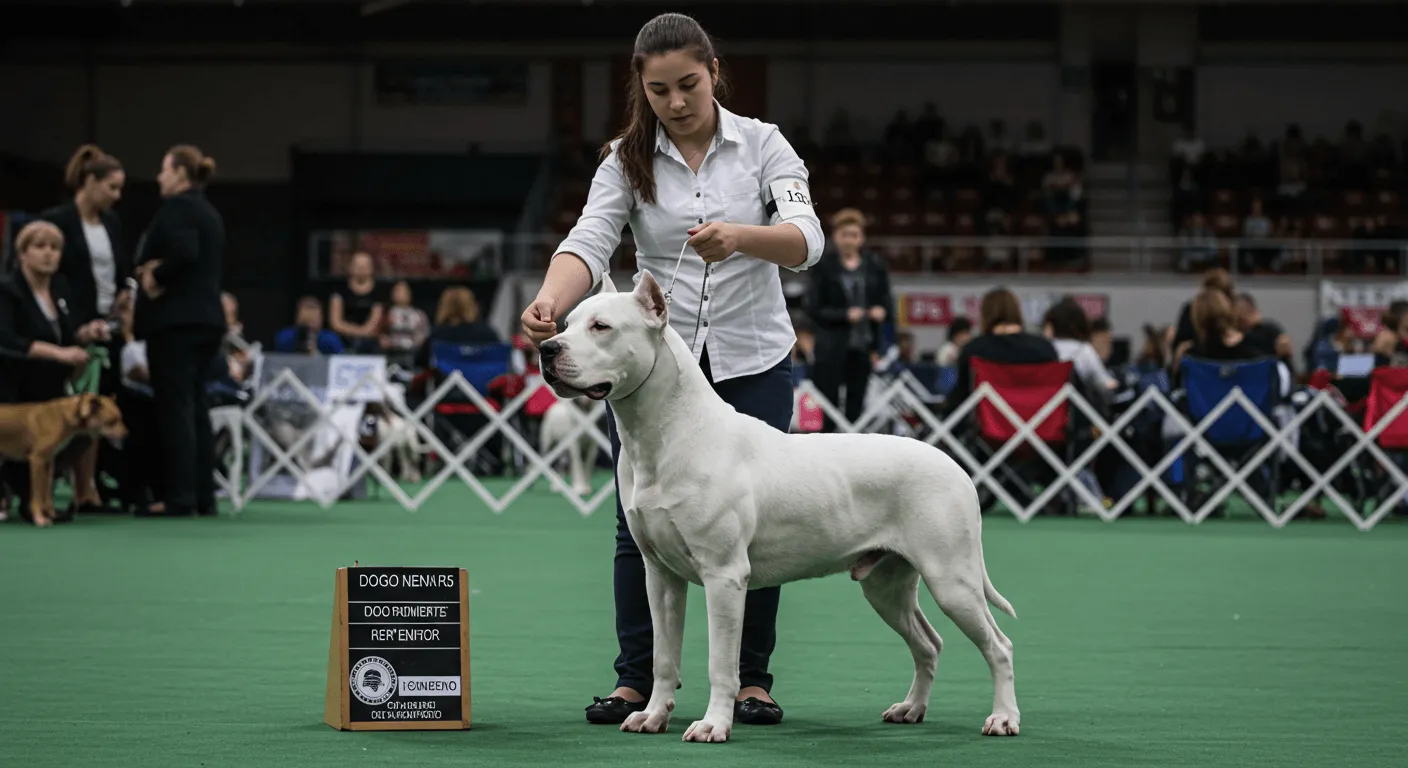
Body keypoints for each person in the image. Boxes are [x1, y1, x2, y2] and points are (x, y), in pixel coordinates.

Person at [519, 12, 823, 727]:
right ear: (642, 89)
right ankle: (637, 681)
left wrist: (741, 237)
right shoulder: (624, 158)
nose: (676, 102)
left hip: (752, 357)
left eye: (688, 84)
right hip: (653, 374)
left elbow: (807, 240)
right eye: (659, 91)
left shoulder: (764, 146)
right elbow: (589, 240)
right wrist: (550, 300)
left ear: (714, 70)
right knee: (639, 523)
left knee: (754, 520)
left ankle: (751, 682)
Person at [132, 144, 226, 518]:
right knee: (196, 408)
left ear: (180, 174)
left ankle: (180, 497)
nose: (159, 177)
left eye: (164, 169)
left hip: (177, 323)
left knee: (175, 410)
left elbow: (184, 253)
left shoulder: (178, 208)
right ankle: (204, 496)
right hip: (207, 321)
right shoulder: (209, 212)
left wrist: (155, 274)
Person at [0, 220, 113, 523]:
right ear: (22, 253)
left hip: (51, 393)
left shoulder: (61, 289)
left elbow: (68, 335)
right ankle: (22, 492)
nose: (49, 254)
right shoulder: (7, 291)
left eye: (54, 248)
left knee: (87, 430)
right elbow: (7, 342)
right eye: (40, 247)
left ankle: (40, 497)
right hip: (13, 390)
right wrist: (58, 353)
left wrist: (87, 333)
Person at [41, 144, 130, 511]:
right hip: (71, 328)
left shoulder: (112, 224)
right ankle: (45, 489)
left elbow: (121, 269)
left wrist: (124, 297)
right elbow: (55, 277)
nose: (116, 196)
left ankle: (86, 488)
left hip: (106, 329)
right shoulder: (57, 221)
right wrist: (77, 325)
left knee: (99, 410)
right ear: (90, 182)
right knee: (65, 410)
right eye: (111, 188)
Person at [804, 208, 894, 431]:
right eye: (845, 234)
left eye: (854, 235)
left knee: (856, 407)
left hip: (863, 345)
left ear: (861, 237)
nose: (850, 240)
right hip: (832, 346)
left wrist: (881, 313)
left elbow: (887, 301)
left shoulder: (874, 265)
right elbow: (813, 308)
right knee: (829, 406)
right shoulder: (823, 267)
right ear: (836, 236)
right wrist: (844, 315)